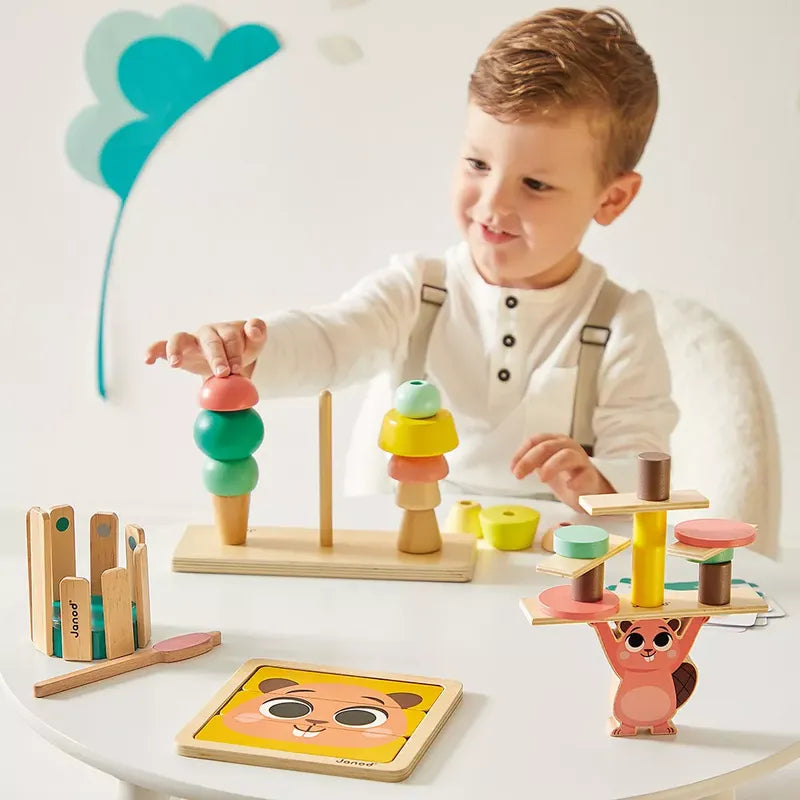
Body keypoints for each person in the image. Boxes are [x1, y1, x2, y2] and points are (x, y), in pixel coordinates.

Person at [145, 6, 679, 511]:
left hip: (539, 577)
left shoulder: (621, 323)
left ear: (611, 199)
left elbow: (643, 463)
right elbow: (332, 340)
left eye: (535, 184)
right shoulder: (417, 290)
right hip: (405, 560)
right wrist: (250, 350)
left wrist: (599, 481)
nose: (493, 203)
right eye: (477, 163)